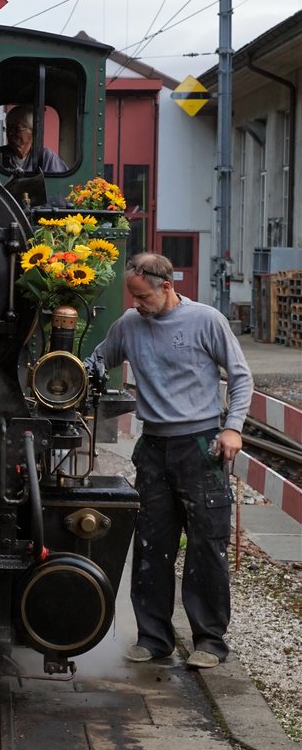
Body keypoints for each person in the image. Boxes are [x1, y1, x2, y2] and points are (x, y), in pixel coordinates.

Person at [89, 252, 253, 670]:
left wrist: (232, 427)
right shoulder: (128, 324)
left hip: (200, 447)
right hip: (154, 449)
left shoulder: (206, 321)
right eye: (132, 295)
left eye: (142, 295)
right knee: (150, 545)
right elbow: (97, 363)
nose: (135, 303)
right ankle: (154, 638)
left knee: (206, 546)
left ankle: (210, 642)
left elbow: (240, 375)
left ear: (166, 286)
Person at [0, 104, 66, 173]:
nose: (10, 133)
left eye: (16, 129)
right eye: (8, 128)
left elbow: (64, 182)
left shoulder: (47, 158)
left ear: (32, 131)